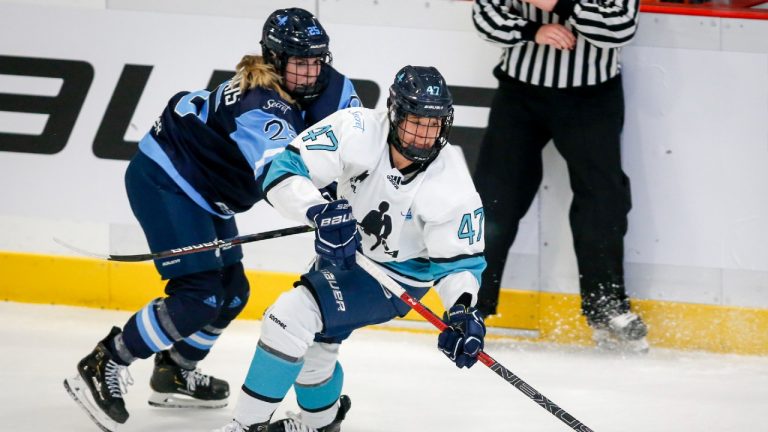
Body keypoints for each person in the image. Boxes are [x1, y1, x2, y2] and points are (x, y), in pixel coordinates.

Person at [63, 8, 360, 431]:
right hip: (167, 180)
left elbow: (356, 152)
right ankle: (104, 360)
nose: (311, 72)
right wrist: (322, 211)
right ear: (274, 59)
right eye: (299, 62)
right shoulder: (261, 105)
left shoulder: (337, 88)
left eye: (317, 61)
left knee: (233, 292)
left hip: (209, 196)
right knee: (198, 297)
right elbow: (282, 175)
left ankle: (175, 371)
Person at [214, 65, 488, 432]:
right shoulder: (358, 129)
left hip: (393, 278)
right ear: (394, 113)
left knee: (289, 317)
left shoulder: (451, 183)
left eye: (434, 124)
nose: (424, 135)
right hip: (340, 251)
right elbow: (284, 169)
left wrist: (462, 311)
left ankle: (246, 425)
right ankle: (323, 424)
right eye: (415, 122)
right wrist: (319, 211)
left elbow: (458, 265)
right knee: (314, 353)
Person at [471, 0, 647, 351]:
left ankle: (605, 305)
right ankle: (471, 303)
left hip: (592, 96)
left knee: (603, 199)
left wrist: (557, 3)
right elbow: (484, 16)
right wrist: (531, 30)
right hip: (520, 93)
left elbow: (620, 28)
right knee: (494, 198)